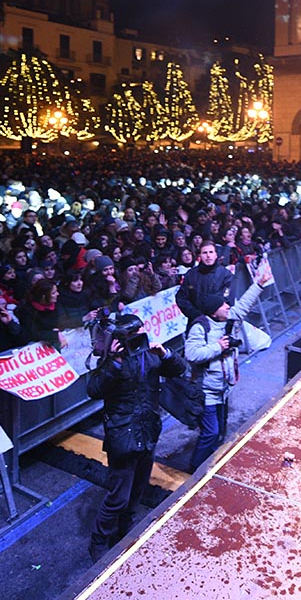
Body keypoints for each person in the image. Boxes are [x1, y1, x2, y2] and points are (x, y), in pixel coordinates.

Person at [85, 314, 186, 561]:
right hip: (123, 436)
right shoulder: (111, 361)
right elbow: (93, 390)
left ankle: (125, 531)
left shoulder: (149, 354)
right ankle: (99, 541)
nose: (141, 336)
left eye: (142, 331)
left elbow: (179, 369)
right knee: (118, 496)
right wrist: (115, 362)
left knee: (138, 490)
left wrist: (165, 354)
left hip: (147, 430)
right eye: (135, 334)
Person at [184, 278, 267, 470]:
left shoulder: (227, 319)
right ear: (214, 311)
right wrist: (218, 347)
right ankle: (194, 469)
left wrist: (259, 284)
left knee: (220, 429)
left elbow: (244, 305)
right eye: (223, 305)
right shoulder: (200, 327)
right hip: (207, 391)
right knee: (211, 432)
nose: (228, 306)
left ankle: (210, 462)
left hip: (223, 388)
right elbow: (192, 354)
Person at [174, 240, 233, 326]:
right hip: (197, 321)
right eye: (205, 253)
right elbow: (181, 298)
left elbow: (228, 294)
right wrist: (195, 314)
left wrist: (216, 309)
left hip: (220, 322)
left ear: (216, 255)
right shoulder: (191, 275)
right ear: (200, 256)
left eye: (211, 252)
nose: (208, 256)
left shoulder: (226, 274)